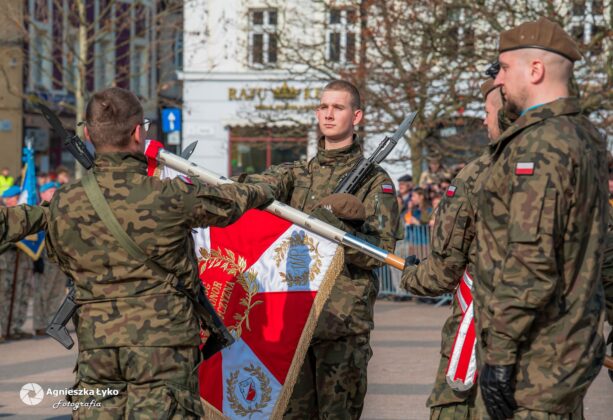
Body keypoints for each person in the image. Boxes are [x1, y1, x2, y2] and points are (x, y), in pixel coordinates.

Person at [0, 87, 275, 417]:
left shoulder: (65, 202)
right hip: (163, 347)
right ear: (137, 133)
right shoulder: (171, 195)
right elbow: (235, 200)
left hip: (98, 345)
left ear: (87, 135)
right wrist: (273, 183)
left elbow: (60, 258)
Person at [238, 80, 402, 419]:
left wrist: (336, 229)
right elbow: (253, 190)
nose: (329, 114)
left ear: (356, 116)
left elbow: (380, 251)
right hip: (296, 321)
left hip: (342, 323)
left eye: (338, 107)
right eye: (323, 107)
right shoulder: (297, 174)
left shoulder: (375, 181)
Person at [475, 18, 608, 419]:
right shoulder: (582, 134)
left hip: (535, 358)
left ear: (535, 70)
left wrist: (499, 354)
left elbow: (532, 260)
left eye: (504, 68)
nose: (498, 79)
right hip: (562, 349)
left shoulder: (543, 144)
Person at [399, 79, 504, 419]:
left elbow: (443, 271)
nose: (484, 120)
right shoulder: (572, 163)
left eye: (488, 112)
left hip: (481, 339)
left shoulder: (475, 175)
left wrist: (410, 274)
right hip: (553, 351)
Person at [32, 181, 67, 336]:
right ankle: (40, 324)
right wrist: (35, 259)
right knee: (42, 292)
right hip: (44, 258)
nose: (54, 194)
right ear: (42, 194)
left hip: (60, 258)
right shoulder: (38, 212)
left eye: (55, 190)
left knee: (57, 291)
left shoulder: (62, 211)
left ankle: (52, 322)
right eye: (50, 191)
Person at [0, 186, 34, 341]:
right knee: (5, 295)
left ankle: (14, 327)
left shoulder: (22, 214)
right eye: (10, 198)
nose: (12, 201)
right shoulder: (4, 213)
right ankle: (4, 328)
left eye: (14, 198)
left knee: (21, 293)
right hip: (7, 260)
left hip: (22, 260)